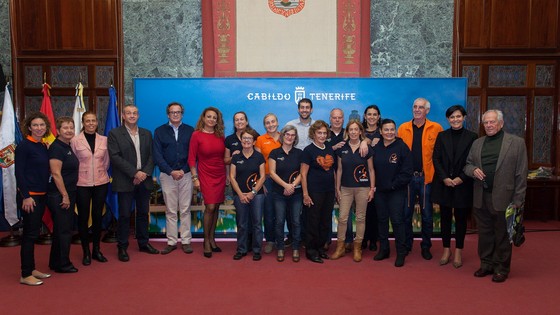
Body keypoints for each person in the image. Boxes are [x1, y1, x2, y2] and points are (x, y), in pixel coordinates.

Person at [465, 109, 528, 283]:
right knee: (484, 234)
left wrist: (518, 201)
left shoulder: (516, 143)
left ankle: (501, 268)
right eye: (486, 122)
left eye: (492, 122)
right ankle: (486, 264)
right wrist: (472, 170)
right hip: (481, 197)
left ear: (501, 123)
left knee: (502, 235)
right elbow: (467, 165)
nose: (489, 125)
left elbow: (521, 175)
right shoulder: (477, 143)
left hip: (505, 198)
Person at [108, 104, 159, 262]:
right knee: (124, 215)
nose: (132, 115)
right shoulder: (114, 134)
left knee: (143, 213)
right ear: (123, 116)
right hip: (125, 180)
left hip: (144, 179)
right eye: (128, 113)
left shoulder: (146, 133)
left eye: (135, 113)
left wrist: (143, 173)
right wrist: (134, 173)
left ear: (138, 115)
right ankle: (122, 246)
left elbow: (152, 156)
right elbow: (115, 157)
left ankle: (143, 243)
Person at [431, 105, 477, 268]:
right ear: (447, 119)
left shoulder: (473, 137)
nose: (455, 120)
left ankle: (458, 250)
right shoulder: (442, 136)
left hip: (462, 184)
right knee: (444, 218)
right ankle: (446, 249)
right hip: (444, 184)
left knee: (461, 219)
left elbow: (473, 161)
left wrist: (461, 178)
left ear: (464, 118)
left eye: (458, 116)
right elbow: (435, 158)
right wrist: (444, 178)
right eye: (452, 117)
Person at [397, 97, 443, 260]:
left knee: (427, 215)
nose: (417, 109)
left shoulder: (436, 128)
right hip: (408, 179)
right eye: (415, 106)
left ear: (427, 110)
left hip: (426, 179)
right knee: (406, 214)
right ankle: (407, 244)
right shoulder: (403, 128)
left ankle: (426, 246)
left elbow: (439, 154)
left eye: (421, 107)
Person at [153, 102, 195, 255]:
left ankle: (185, 241)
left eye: (178, 112)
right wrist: (171, 171)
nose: (175, 114)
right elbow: (157, 155)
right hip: (167, 175)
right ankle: (171, 241)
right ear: (168, 114)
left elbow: (193, 154)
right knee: (170, 210)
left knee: (185, 209)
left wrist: (183, 170)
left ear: (182, 114)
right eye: (172, 112)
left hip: (186, 175)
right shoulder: (159, 131)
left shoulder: (190, 131)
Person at [16, 112, 52, 285]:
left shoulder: (42, 146)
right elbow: (19, 173)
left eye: (42, 125)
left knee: (34, 233)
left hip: (42, 195)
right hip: (30, 198)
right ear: (29, 127)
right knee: (29, 236)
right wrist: (26, 196)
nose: (39, 128)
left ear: (46, 127)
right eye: (35, 125)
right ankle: (25, 274)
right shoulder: (24, 146)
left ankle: (32, 269)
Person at [331, 120, 375, 262]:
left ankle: (357, 247)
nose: (354, 132)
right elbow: (339, 169)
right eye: (351, 130)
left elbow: (371, 170)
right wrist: (337, 188)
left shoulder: (366, 148)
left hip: (363, 188)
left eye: (356, 129)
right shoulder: (341, 149)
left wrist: (372, 189)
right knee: (343, 218)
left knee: (361, 218)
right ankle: (340, 247)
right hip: (345, 188)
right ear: (347, 132)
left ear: (360, 131)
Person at [71, 111, 110, 266]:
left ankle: (97, 250)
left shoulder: (104, 140)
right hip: (82, 183)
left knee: (97, 216)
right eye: (88, 121)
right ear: (83, 123)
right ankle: (86, 251)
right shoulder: (75, 140)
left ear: (97, 122)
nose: (91, 123)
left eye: (93, 120)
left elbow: (106, 162)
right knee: (83, 217)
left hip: (101, 182)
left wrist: (100, 172)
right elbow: (73, 161)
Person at [373, 119, 413, 267]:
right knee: (382, 221)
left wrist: (393, 185)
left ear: (395, 131)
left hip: (396, 191)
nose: (389, 132)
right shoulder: (376, 148)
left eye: (392, 129)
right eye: (386, 130)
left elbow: (407, 172)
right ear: (381, 132)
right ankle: (384, 249)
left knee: (397, 221)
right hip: (380, 192)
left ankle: (401, 252)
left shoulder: (402, 147)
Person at [188, 107, 227, 258]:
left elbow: (224, 157)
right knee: (210, 206)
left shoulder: (220, 135)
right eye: (209, 117)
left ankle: (212, 239)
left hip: (220, 174)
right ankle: (205, 241)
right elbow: (191, 158)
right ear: (203, 118)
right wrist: (194, 177)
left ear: (217, 120)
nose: (211, 119)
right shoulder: (196, 135)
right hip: (205, 174)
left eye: (214, 117)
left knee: (216, 206)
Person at [47, 116, 79, 274]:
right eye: (65, 128)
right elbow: (56, 173)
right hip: (59, 195)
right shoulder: (57, 148)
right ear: (58, 131)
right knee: (64, 231)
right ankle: (63, 264)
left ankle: (55, 262)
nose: (69, 130)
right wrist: (65, 195)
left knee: (61, 229)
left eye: (71, 127)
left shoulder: (66, 146)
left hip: (67, 193)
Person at [301, 120, 335, 263]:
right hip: (314, 192)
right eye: (319, 133)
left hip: (329, 191)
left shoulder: (329, 148)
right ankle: (311, 251)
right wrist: (305, 194)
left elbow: (332, 170)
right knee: (313, 222)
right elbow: (303, 174)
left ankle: (321, 248)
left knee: (325, 221)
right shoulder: (308, 151)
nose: (322, 135)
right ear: (313, 134)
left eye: (324, 133)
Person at [230, 127, 266, 261]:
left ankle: (257, 250)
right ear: (241, 139)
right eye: (244, 138)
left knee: (257, 223)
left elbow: (262, 177)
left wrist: (253, 193)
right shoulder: (236, 157)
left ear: (254, 141)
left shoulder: (259, 156)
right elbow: (232, 177)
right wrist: (240, 194)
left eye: (249, 139)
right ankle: (241, 249)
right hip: (240, 195)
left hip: (257, 195)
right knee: (242, 223)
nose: (246, 140)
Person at [269, 125, 303, 262]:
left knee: (296, 221)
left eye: (292, 135)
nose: (290, 137)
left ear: (295, 138)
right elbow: (271, 172)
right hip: (278, 193)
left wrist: (292, 186)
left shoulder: (300, 153)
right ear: (282, 136)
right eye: (287, 134)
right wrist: (285, 186)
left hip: (296, 193)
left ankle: (295, 248)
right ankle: (281, 248)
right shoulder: (274, 153)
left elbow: (302, 173)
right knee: (279, 221)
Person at [255, 113, 281, 254]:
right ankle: (270, 240)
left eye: (273, 121)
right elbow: (257, 162)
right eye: (267, 122)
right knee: (269, 212)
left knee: (283, 212)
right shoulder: (260, 140)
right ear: (264, 125)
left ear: (277, 123)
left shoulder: (285, 137)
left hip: (283, 180)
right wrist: (262, 181)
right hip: (268, 180)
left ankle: (282, 239)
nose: (270, 124)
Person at [361, 105, 382, 251]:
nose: (372, 117)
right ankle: (362, 238)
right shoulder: (359, 132)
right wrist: (365, 141)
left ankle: (374, 239)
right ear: (365, 115)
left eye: (375, 114)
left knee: (375, 210)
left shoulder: (383, 132)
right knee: (363, 210)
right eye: (369, 114)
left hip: (380, 175)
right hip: (361, 175)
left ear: (379, 116)